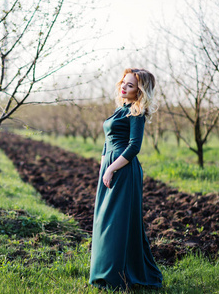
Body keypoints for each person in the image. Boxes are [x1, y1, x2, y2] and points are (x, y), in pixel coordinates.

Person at [89, 68, 163, 290]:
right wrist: (103, 166)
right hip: (109, 167)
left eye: (130, 85)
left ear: (139, 91)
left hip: (123, 169)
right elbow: (107, 142)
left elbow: (134, 147)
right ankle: (102, 273)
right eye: (123, 82)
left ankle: (115, 276)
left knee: (117, 223)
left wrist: (111, 168)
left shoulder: (136, 112)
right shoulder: (119, 110)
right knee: (104, 220)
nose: (123, 87)